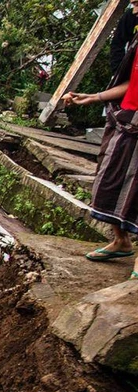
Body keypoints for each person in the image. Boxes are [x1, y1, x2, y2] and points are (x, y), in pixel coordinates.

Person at [63, 0, 138, 280]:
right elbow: (132, 83)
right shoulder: (134, 37)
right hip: (127, 117)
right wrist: (93, 97)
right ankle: (121, 241)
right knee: (109, 178)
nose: (133, 4)